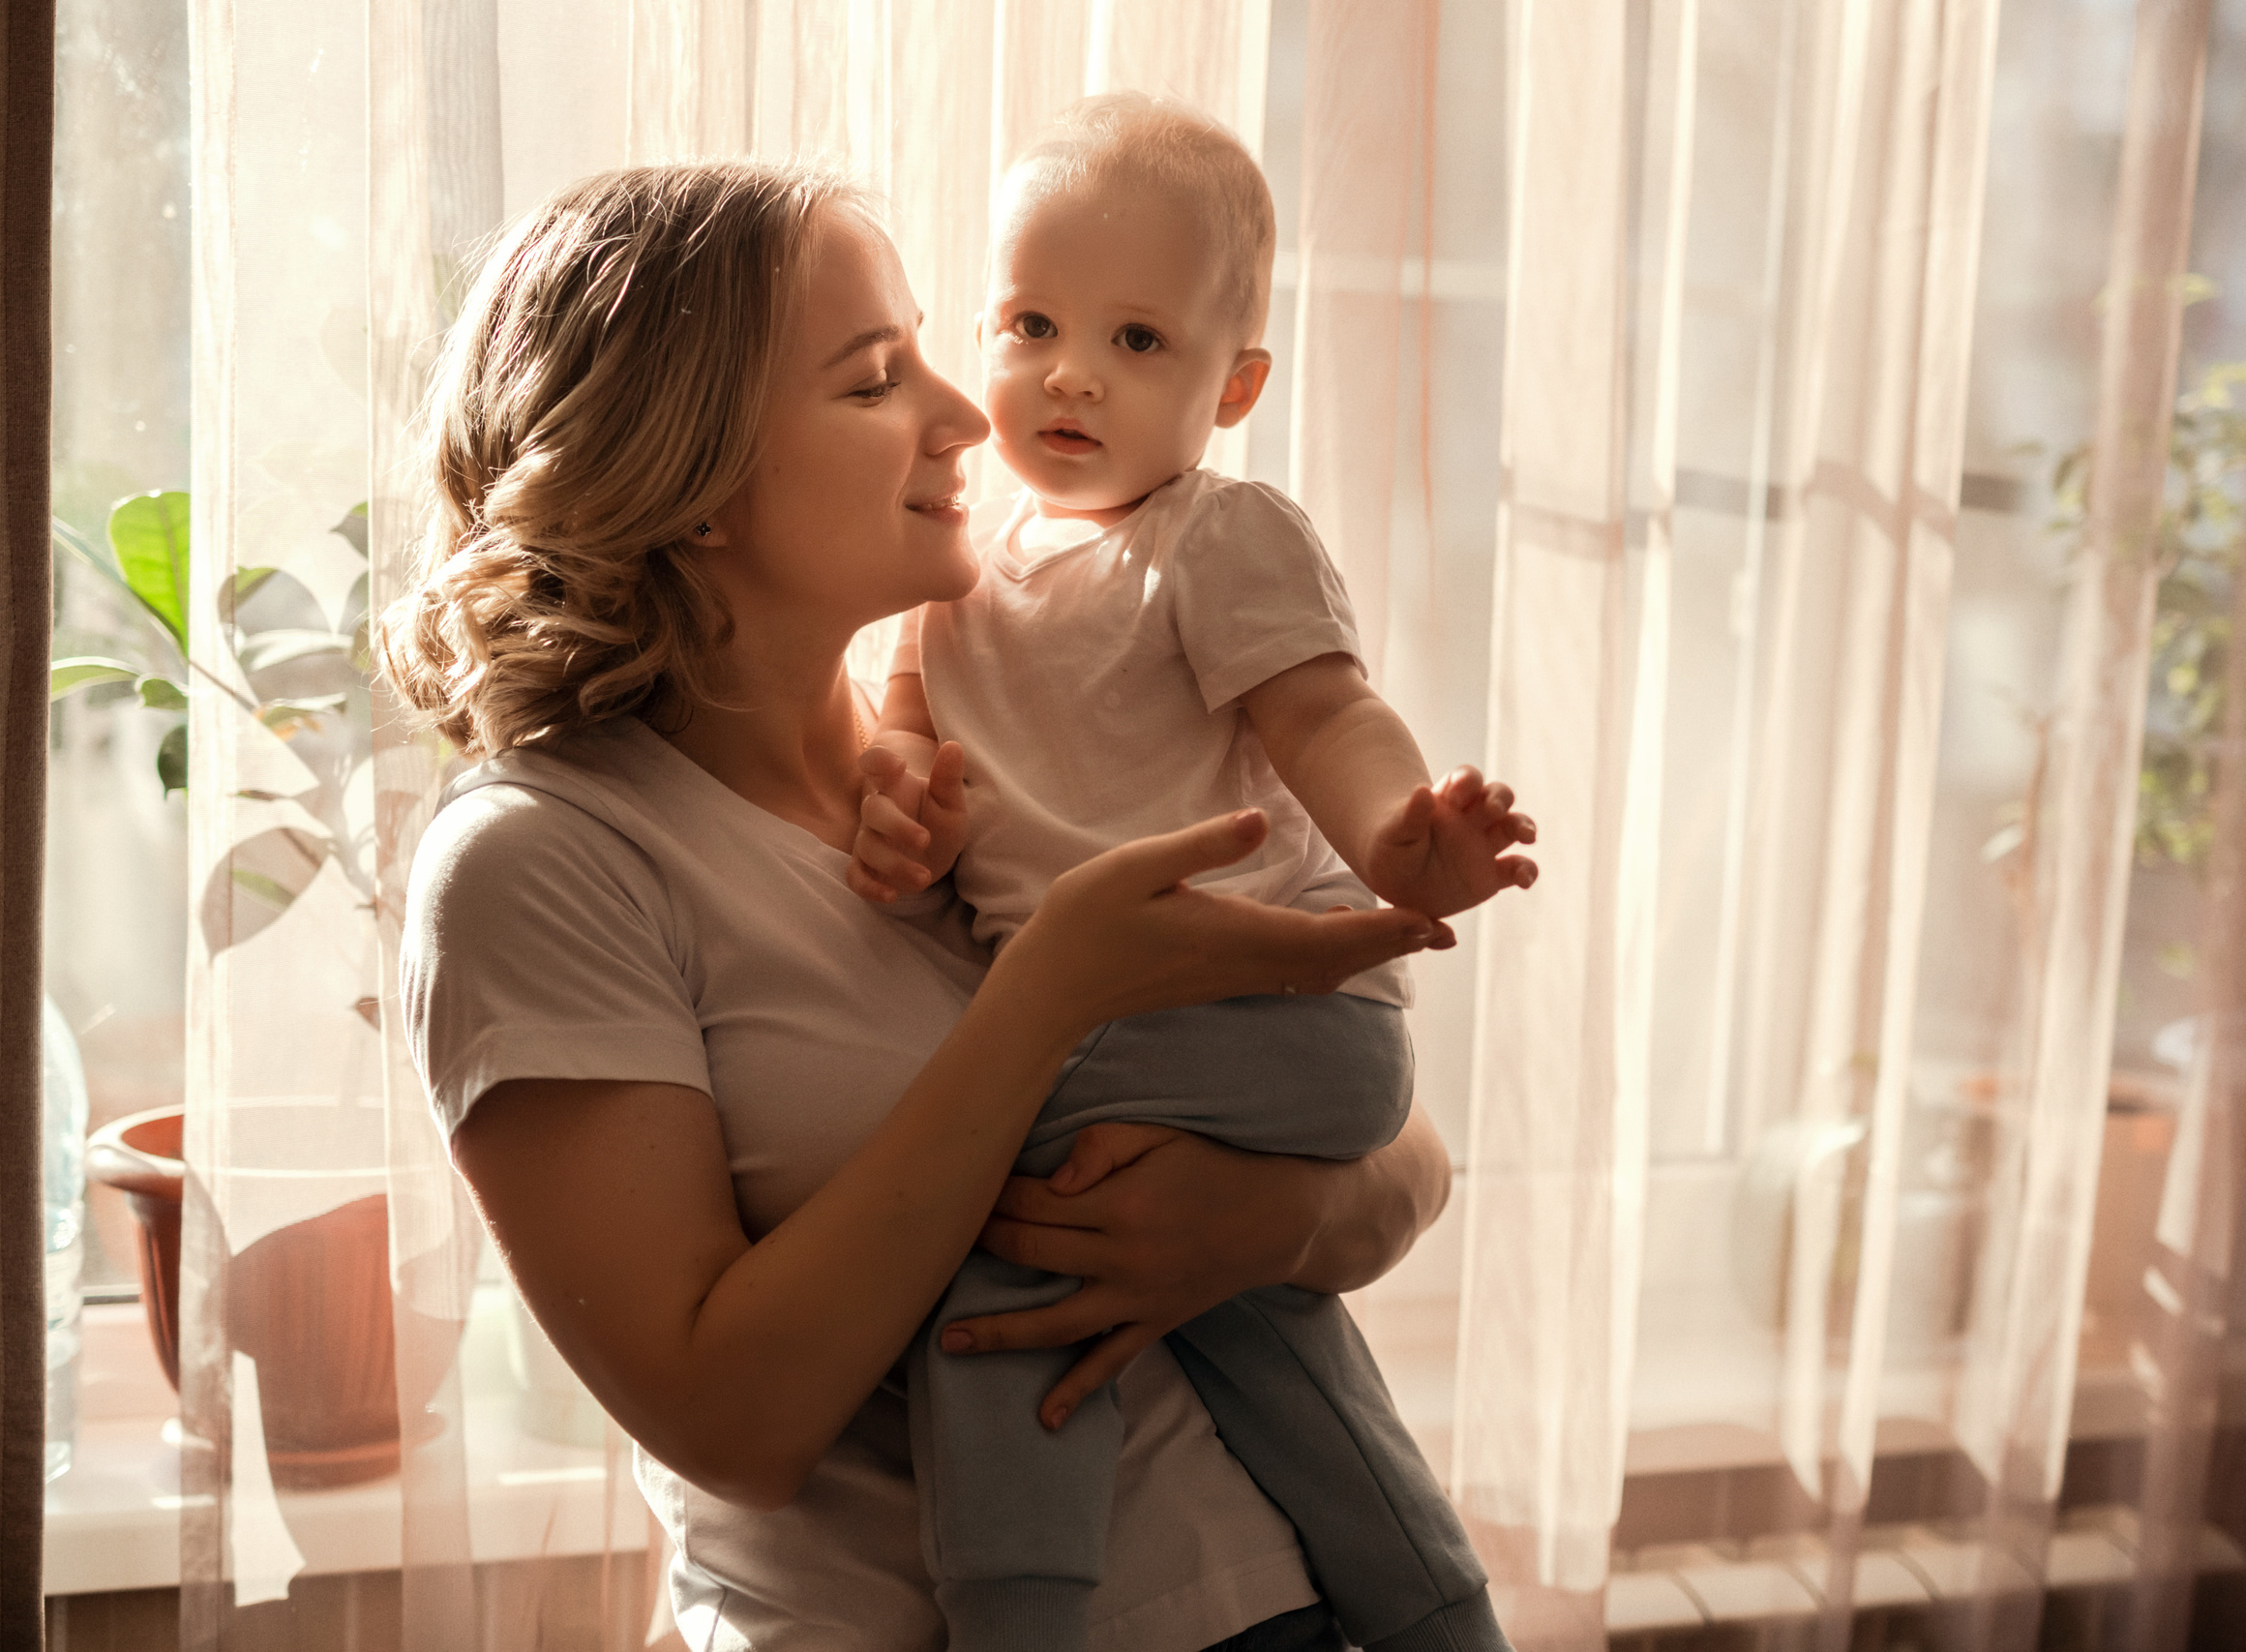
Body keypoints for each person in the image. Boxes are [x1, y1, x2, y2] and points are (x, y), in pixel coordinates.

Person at [376, 159, 1465, 1652]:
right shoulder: (540, 863)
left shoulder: (997, 744)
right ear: (692, 487)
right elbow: (732, 1419)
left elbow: (1398, 1149)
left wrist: (1271, 1221)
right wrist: (1046, 998)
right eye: (878, 380)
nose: (972, 417)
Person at [851, 95, 1530, 1652]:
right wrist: (905, 806)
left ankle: (1014, 1612)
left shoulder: (1211, 540)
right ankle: (1430, 1603)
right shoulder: (957, 586)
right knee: (1241, 1311)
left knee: (1005, 1205)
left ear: (1234, 389)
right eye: (1031, 323)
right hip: (1141, 1042)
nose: (1071, 372)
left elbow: (1327, 712)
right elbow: (908, 748)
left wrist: (1397, 837)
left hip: (1275, 1017)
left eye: (1139, 341)